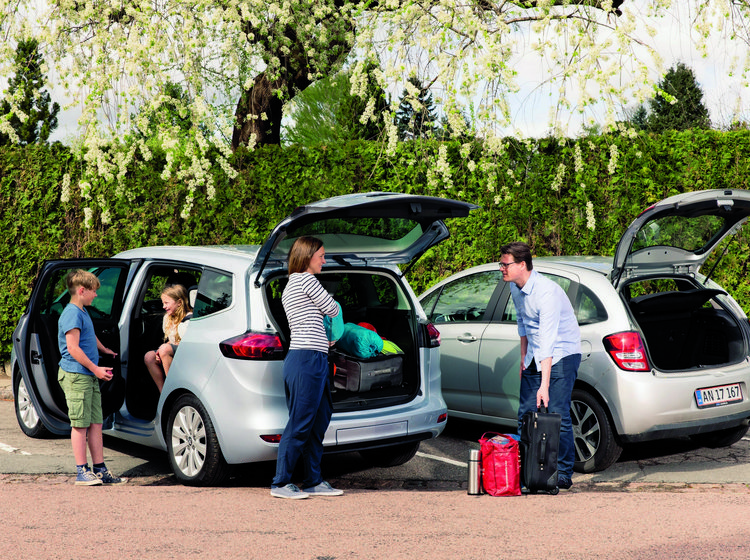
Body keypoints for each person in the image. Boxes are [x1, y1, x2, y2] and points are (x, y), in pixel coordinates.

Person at [500, 242, 581, 490]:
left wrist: (543, 385)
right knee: (525, 413)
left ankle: (564, 472)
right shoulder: (516, 288)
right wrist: (524, 361)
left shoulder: (546, 292)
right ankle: (529, 472)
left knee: (556, 413)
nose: (501, 268)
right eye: (501, 264)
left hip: (562, 353)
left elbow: (548, 340)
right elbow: (524, 326)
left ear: (522, 265)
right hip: (537, 354)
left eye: (506, 264)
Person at [270, 236, 344, 499]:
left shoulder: (293, 284)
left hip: (313, 358)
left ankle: (313, 480)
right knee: (301, 423)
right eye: (321, 255)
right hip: (306, 360)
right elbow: (332, 309)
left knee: (319, 419)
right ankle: (280, 483)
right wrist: (332, 312)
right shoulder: (305, 280)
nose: (325, 260)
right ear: (307, 256)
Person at [57, 269, 127, 486]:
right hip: (77, 376)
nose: (96, 295)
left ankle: (100, 469)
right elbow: (73, 348)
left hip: (88, 376)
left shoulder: (83, 311)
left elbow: (89, 334)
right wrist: (96, 369)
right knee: (80, 425)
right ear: (81, 290)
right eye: (93, 291)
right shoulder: (71, 313)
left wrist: (104, 349)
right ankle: (81, 471)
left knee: (96, 423)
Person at [144, 284, 193, 392]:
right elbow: (171, 340)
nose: (163, 306)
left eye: (166, 303)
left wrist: (164, 348)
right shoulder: (168, 318)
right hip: (174, 349)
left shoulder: (188, 320)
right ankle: (164, 392)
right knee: (149, 357)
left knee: (164, 349)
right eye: (163, 303)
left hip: (187, 352)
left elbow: (188, 344)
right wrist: (163, 347)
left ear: (179, 302)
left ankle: (172, 389)